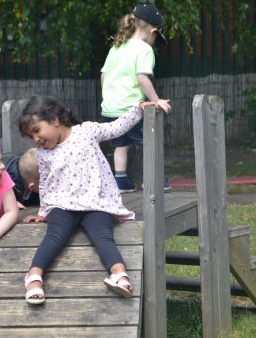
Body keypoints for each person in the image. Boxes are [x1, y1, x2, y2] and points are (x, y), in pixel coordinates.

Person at [17, 94, 169, 304]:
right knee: (55, 235)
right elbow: (46, 184)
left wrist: (138, 109)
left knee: (103, 235)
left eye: (36, 131)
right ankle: (33, 276)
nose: (35, 140)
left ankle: (120, 275)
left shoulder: (86, 131)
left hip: (95, 202)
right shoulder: (43, 155)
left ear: (54, 120)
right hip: (63, 204)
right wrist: (43, 212)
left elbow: (115, 128)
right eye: (30, 137)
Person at [100, 3, 172, 193]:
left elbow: (103, 76)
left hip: (110, 109)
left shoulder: (116, 47)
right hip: (131, 109)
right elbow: (142, 78)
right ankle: (154, 180)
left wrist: (110, 98)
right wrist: (156, 101)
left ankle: (121, 181)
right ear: (153, 30)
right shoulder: (144, 50)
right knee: (150, 142)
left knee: (120, 144)